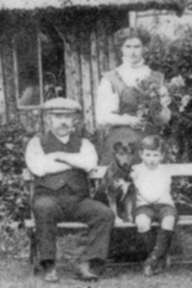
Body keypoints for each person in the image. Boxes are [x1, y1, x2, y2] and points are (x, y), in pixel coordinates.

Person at [25, 97, 114, 282]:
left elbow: (89, 164)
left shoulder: (85, 144)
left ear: (74, 120)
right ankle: (48, 265)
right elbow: (39, 168)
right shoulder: (36, 142)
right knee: (43, 208)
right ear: (48, 119)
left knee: (104, 213)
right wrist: (75, 162)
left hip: (78, 200)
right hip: (48, 198)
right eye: (58, 116)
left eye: (68, 117)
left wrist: (58, 157)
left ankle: (88, 263)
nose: (63, 121)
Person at [96, 27, 171, 165]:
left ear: (144, 48)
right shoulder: (111, 78)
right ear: (121, 49)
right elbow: (102, 117)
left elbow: (163, 120)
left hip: (151, 142)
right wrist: (128, 120)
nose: (132, 51)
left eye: (137, 46)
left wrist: (162, 109)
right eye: (128, 46)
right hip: (122, 141)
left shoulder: (156, 77)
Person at [131, 135, 192, 276]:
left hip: (164, 204)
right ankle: (161, 256)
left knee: (168, 220)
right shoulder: (135, 170)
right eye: (148, 155)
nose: (151, 159)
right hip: (144, 206)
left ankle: (152, 260)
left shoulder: (164, 171)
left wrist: (139, 184)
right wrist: (133, 178)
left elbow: (157, 192)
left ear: (161, 156)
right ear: (141, 154)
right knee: (142, 222)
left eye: (155, 155)